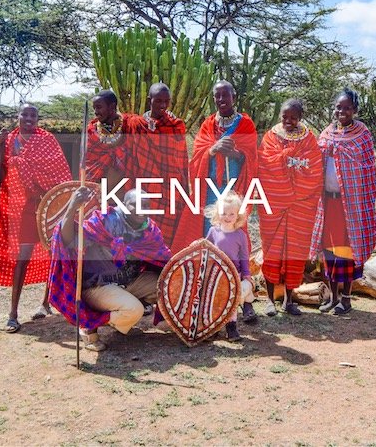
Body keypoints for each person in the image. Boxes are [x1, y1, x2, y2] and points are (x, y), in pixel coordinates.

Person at [0, 103, 72, 333]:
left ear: (37, 118)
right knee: (22, 258)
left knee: (54, 253)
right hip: (25, 209)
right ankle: (13, 313)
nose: (29, 118)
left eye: (33, 115)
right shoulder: (9, 141)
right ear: (18, 116)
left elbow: (60, 174)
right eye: (25, 114)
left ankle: (46, 302)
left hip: (49, 206)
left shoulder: (47, 141)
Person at [48, 188, 172, 351]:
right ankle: (88, 327)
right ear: (124, 204)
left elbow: (162, 257)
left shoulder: (149, 230)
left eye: (146, 205)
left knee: (168, 286)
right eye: (135, 204)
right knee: (135, 310)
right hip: (97, 286)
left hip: (129, 282)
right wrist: (72, 207)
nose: (141, 209)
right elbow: (69, 241)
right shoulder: (105, 221)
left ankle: (119, 314)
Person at [310, 88, 376, 315]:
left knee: (346, 250)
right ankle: (332, 296)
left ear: (355, 110)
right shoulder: (326, 133)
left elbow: (367, 170)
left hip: (350, 205)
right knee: (328, 250)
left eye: (347, 107)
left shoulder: (362, 134)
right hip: (327, 203)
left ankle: (346, 298)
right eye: (339, 107)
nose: (342, 111)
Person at [171, 80, 258, 253]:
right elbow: (197, 156)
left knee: (230, 227)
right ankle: (207, 268)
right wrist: (212, 150)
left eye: (225, 94)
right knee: (208, 227)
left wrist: (234, 154)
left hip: (232, 189)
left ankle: (229, 270)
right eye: (217, 95)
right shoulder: (207, 125)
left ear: (233, 97)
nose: (221, 99)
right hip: (209, 188)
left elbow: (251, 157)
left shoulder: (245, 124)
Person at [258, 99, 323, 316]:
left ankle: (288, 300)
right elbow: (265, 164)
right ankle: (269, 300)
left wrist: (292, 164)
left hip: (300, 205)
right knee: (272, 251)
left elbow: (313, 167)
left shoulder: (308, 138)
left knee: (294, 252)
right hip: (275, 202)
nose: (288, 121)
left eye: (293, 117)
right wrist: (288, 159)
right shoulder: (270, 136)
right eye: (285, 116)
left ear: (300, 118)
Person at [132, 83, 189, 247]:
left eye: (167, 101)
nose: (163, 105)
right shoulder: (138, 125)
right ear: (149, 100)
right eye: (158, 101)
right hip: (147, 187)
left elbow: (181, 160)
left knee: (168, 235)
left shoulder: (176, 126)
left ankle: (164, 266)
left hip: (172, 189)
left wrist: (184, 189)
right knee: (144, 229)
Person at [204, 191, 257, 341]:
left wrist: (246, 275)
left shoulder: (240, 235)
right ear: (217, 213)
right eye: (224, 213)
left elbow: (244, 257)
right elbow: (206, 247)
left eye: (231, 214)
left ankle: (231, 327)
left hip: (235, 274)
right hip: (216, 274)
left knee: (232, 301)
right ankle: (213, 327)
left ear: (238, 216)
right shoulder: (213, 231)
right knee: (216, 300)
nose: (227, 217)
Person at [85, 91, 138, 199]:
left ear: (112, 106)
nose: (96, 112)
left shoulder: (130, 125)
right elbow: (89, 162)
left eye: (99, 107)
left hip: (125, 188)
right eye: (94, 108)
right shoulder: (92, 130)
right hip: (98, 188)